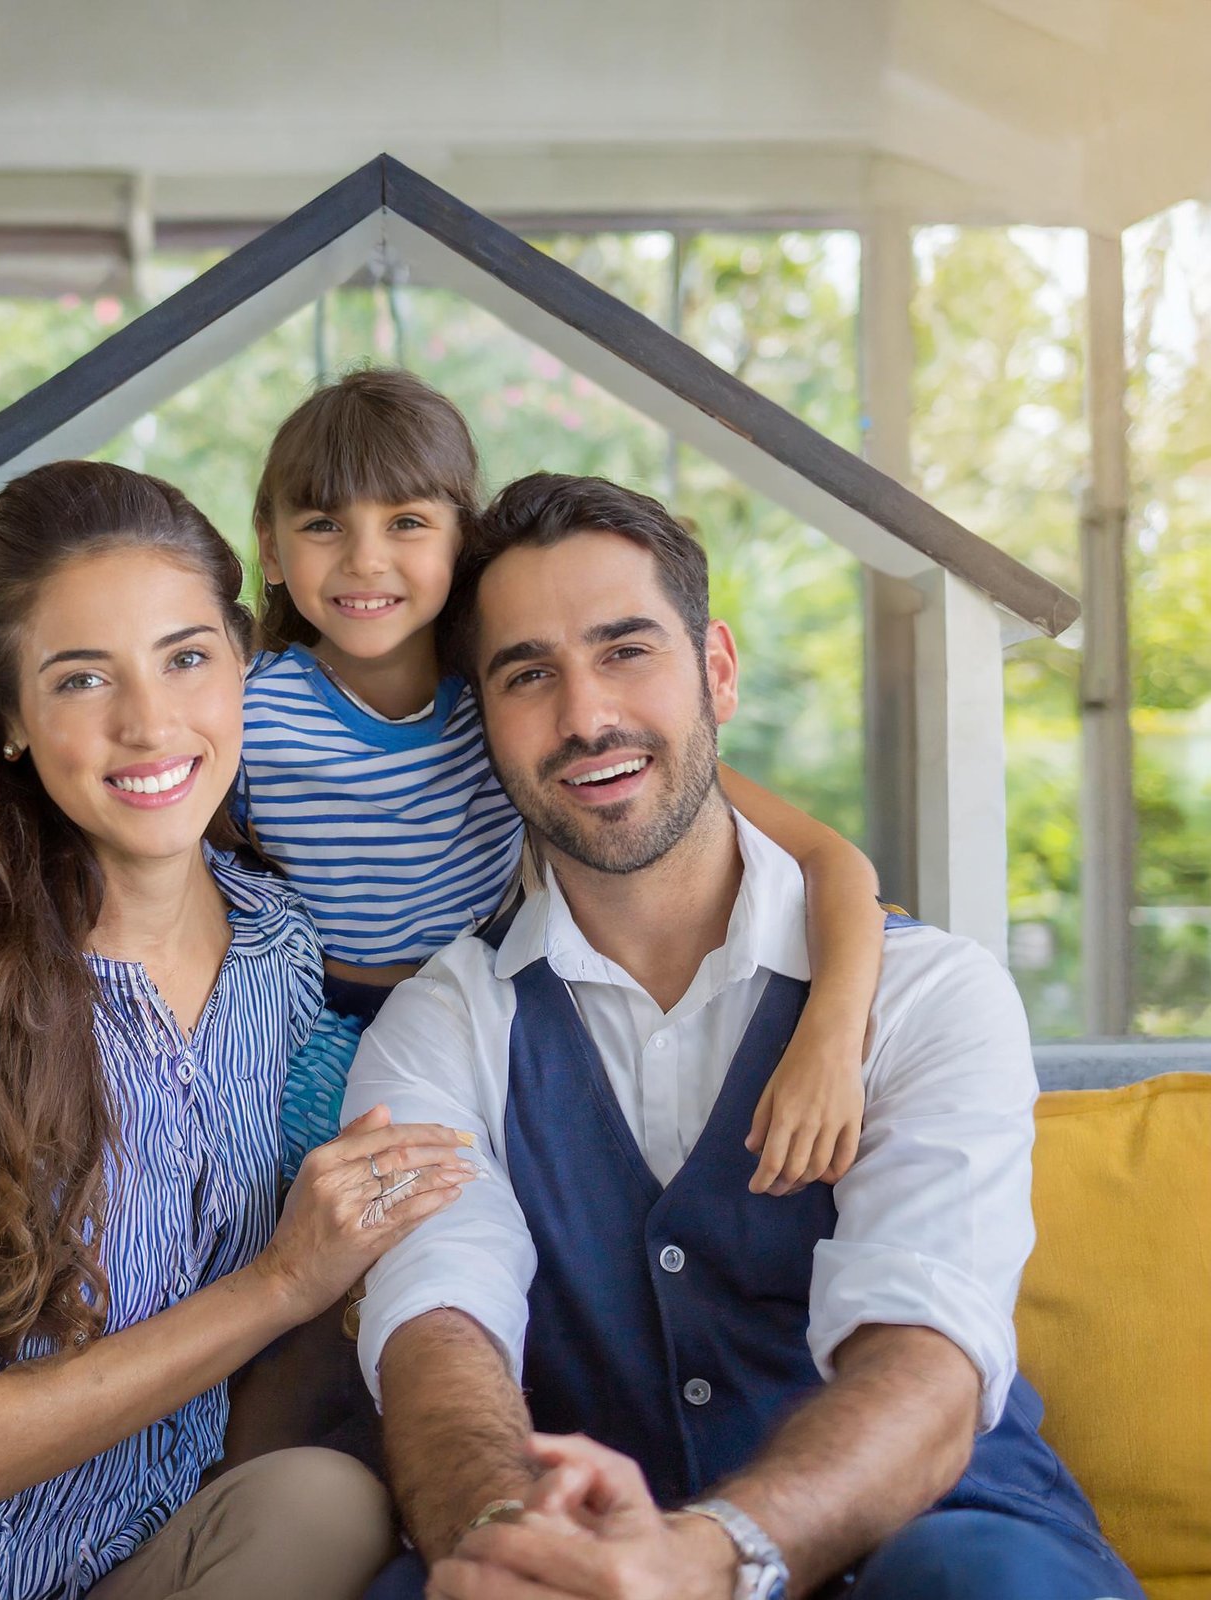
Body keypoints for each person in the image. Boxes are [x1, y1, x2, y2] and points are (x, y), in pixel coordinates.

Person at [343, 474, 1144, 1600]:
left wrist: (714, 1554)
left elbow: (924, 1356)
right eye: (529, 674)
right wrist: (508, 1537)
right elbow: (436, 1330)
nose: (585, 717)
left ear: (716, 669)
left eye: (627, 650)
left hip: (931, 1541)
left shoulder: (929, 992)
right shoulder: (443, 1023)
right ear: (483, 717)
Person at [0, 372, 881, 1197]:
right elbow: (100, 824)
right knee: (295, 1224)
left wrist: (830, 1033)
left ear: (464, 540)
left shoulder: (511, 700)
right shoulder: (242, 702)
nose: (364, 561)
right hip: (306, 1012)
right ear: (269, 547)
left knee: (499, 1208)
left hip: (483, 999)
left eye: (407, 524)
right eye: (323, 527)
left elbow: (826, 858)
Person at [0, 461, 478, 1600]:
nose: (149, 723)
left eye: (186, 656)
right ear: (14, 723)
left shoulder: (281, 948)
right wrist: (281, 1282)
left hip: (134, 1562)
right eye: (82, 680)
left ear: (243, 664)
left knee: (323, 1505)